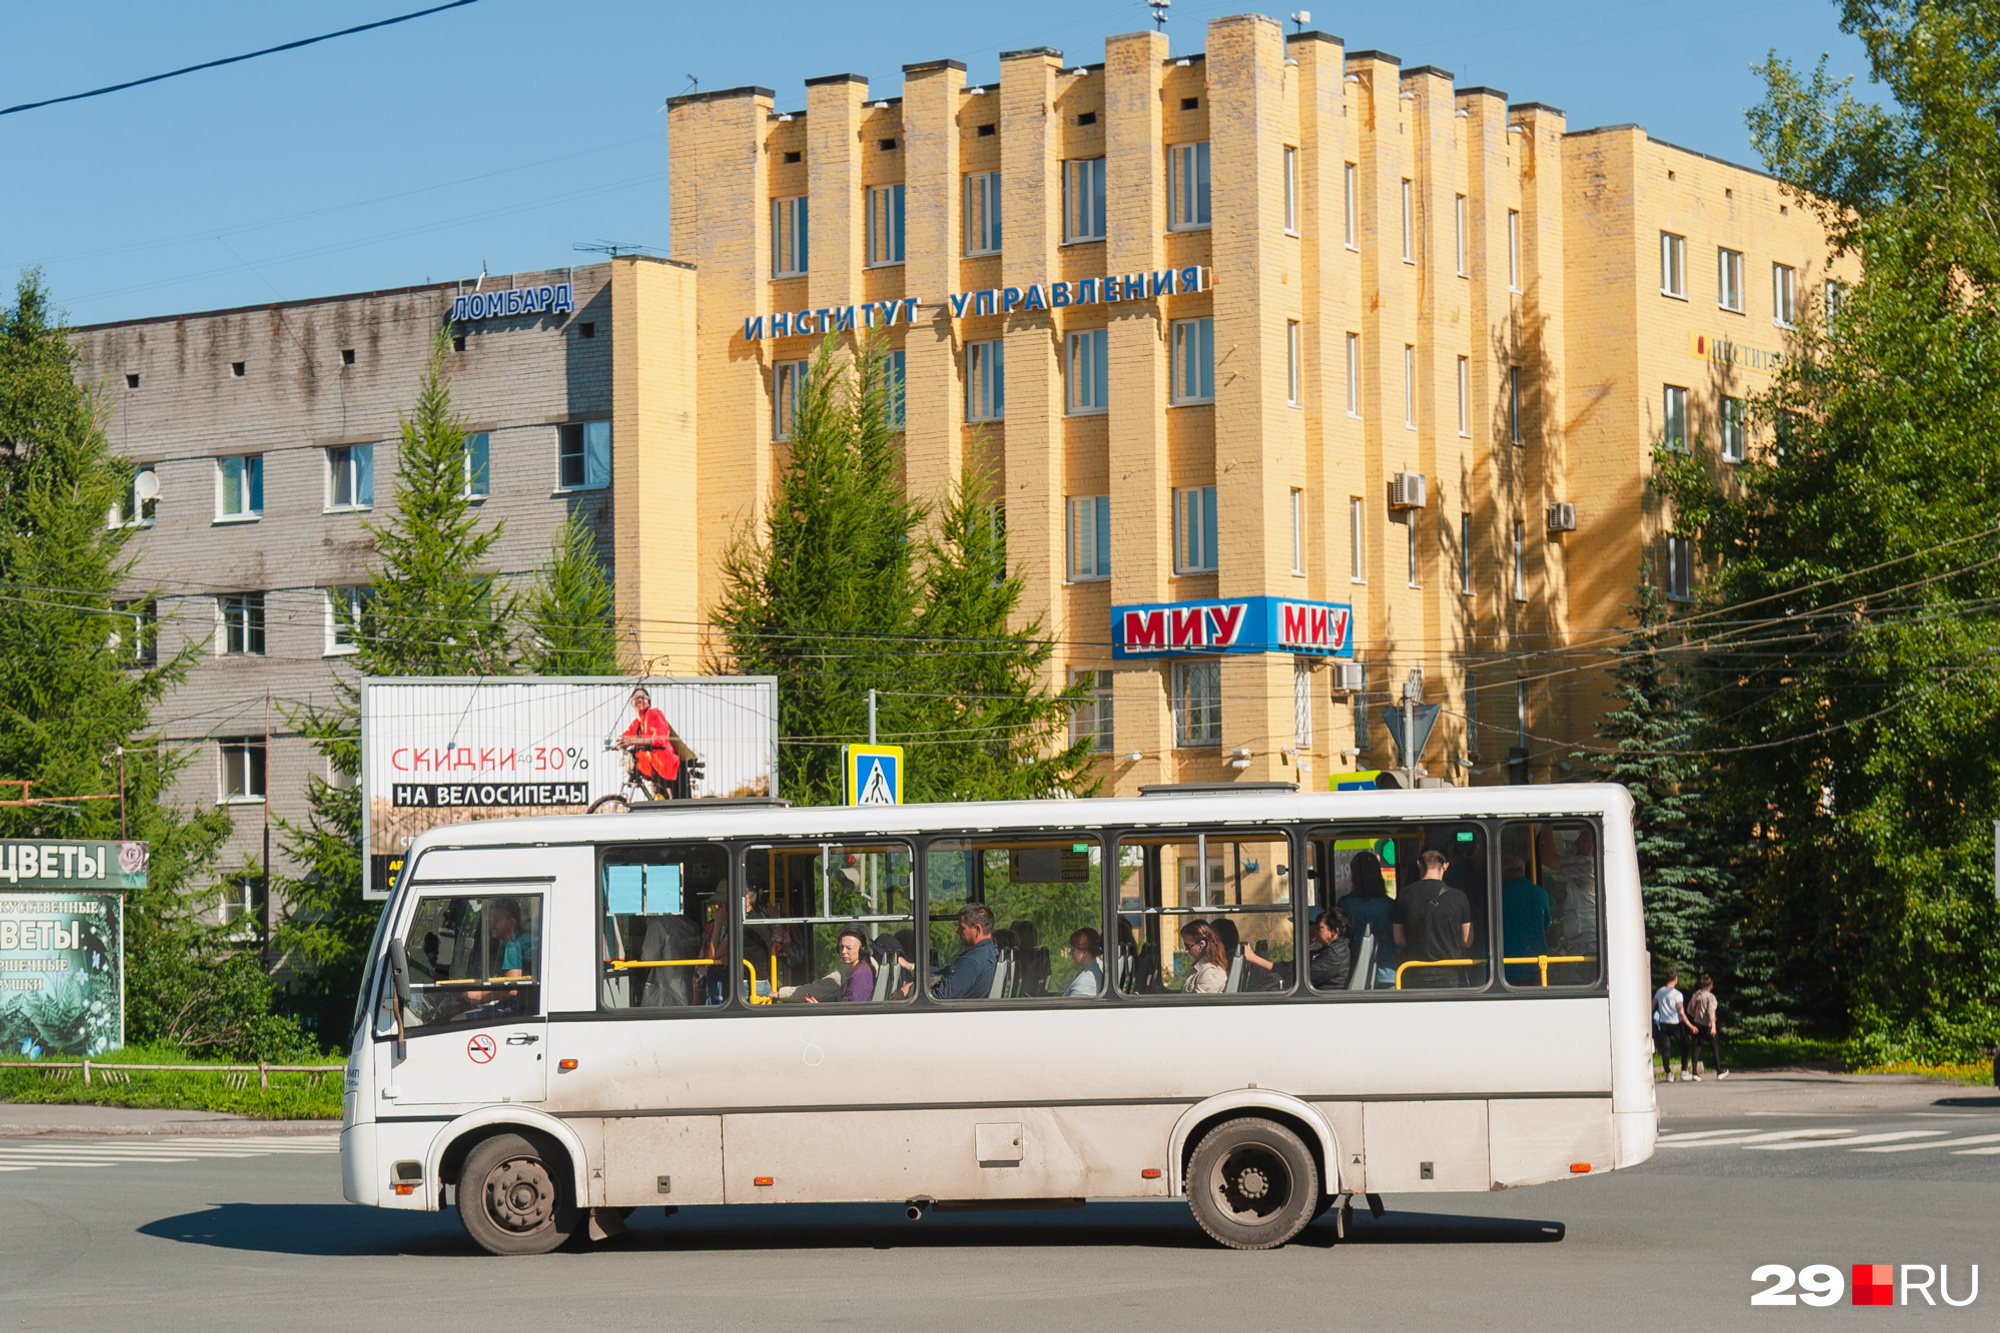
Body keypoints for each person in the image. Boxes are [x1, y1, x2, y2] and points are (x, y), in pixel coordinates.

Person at [1393, 848, 1474, 988]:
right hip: (1450, 973)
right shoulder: (1459, 896)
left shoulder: (1404, 894)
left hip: (1414, 971)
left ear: (1419, 864)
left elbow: (1399, 938)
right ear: (1445, 866)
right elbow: (1466, 941)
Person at [1342, 849, 1398, 986]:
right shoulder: (1390, 905)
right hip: (1388, 972)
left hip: (1354, 971)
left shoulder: (1345, 904)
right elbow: (1398, 941)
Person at [614, 686, 681, 800]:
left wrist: (632, 741)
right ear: (631, 702)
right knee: (659, 801)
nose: (639, 699)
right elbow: (627, 735)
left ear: (648, 702)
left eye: (643, 697)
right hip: (655, 769)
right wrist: (618, 742)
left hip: (668, 768)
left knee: (677, 804)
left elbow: (660, 739)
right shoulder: (637, 723)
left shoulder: (655, 714)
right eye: (636, 697)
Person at [1498, 853, 1554, 985]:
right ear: (1522, 871)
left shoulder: (1499, 894)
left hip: (1509, 966)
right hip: (1539, 965)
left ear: (1503, 872)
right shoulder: (1541, 893)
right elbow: (1547, 923)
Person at [788, 927, 875, 1004]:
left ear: (862, 950)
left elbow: (851, 1014)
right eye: (841, 947)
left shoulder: (859, 975)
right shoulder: (855, 971)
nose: (843, 951)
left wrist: (819, 1010)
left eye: (849, 948)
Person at [933, 903, 999, 999]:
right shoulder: (990, 950)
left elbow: (940, 998)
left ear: (977, 930)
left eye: (962, 927)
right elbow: (947, 972)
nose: (957, 931)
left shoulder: (971, 962)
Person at [1685, 973, 1726, 1079]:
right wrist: (1713, 1027)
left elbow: (1689, 1009)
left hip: (1697, 1024)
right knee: (1714, 1047)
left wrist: (1696, 1017)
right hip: (1707, 1025)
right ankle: (1719, 1071)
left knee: (1697, 1047)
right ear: (1711, 985)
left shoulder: (1696, 995)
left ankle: (1694, 1072)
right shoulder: (1710, 997)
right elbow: (1711, 1012)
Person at [1653, 971, 1692, 1081]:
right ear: (1675, 979)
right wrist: (1690, 1025)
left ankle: (1668, 1074)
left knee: (1666, 1049)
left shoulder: (1660, 992)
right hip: (1676, 1024)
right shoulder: (1677, 994)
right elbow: (1681, 1012)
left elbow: (1652, 1005)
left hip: (1663, 1024)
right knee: (1684, 1047)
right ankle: (1684, 1071)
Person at [1178, 921, 1229, 994]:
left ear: (1201, 945)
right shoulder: (1199, 967)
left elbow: (1200, 1003)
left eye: (1188, 946)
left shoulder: (1210, 972)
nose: (1186, 950)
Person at [1064, 927, 1105, 997]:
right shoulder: (1094, 969)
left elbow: (1071, 1006)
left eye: (1073, 950)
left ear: (1084, 952)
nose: (1070, 953)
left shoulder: (1085, 983)